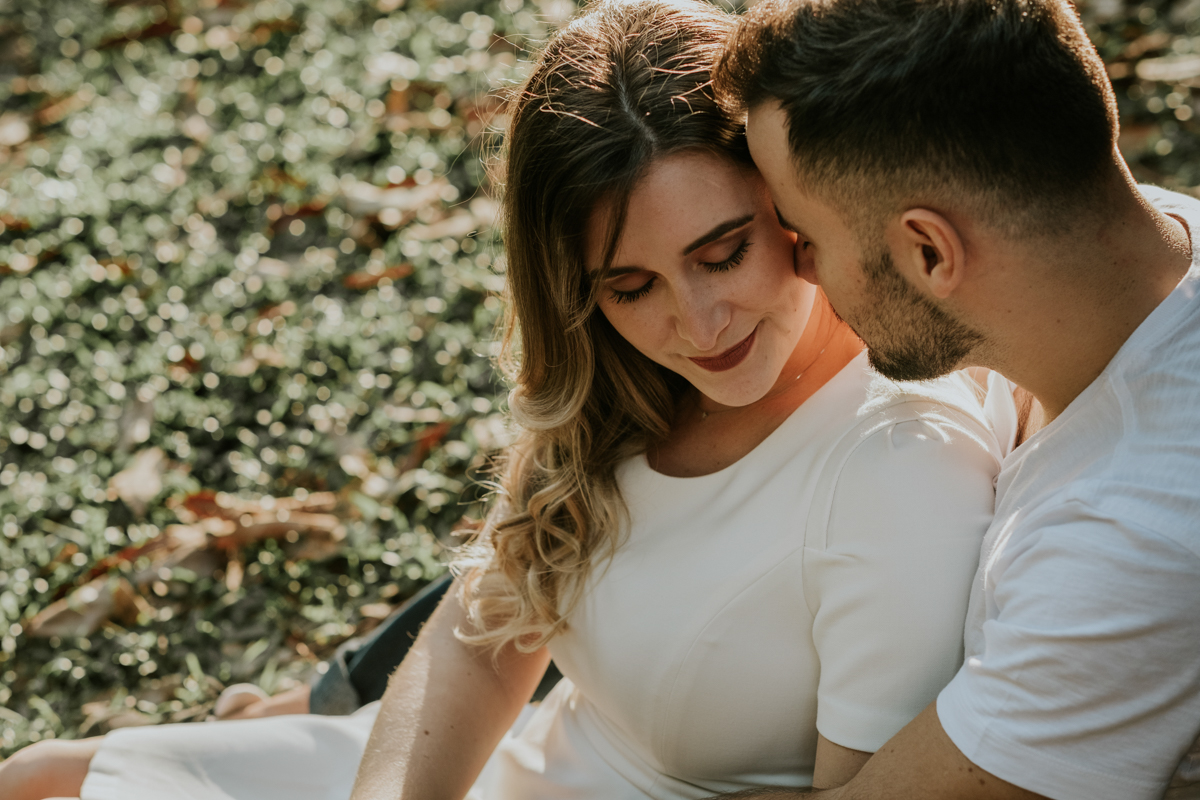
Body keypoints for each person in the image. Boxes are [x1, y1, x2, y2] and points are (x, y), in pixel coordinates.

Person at [0, 1, 1009, 798]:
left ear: (787, 196)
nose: (700, 323)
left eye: (723, 251)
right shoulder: (628, 384)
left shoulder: (900, 466)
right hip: (518, 760)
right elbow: (487, 629)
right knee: (39, 778)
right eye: (630, 286)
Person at [710, 0, 1200, 798]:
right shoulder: (1147, 247)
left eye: (808, 239)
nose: (799, 272)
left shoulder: (1132, 540)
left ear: (930, 251)